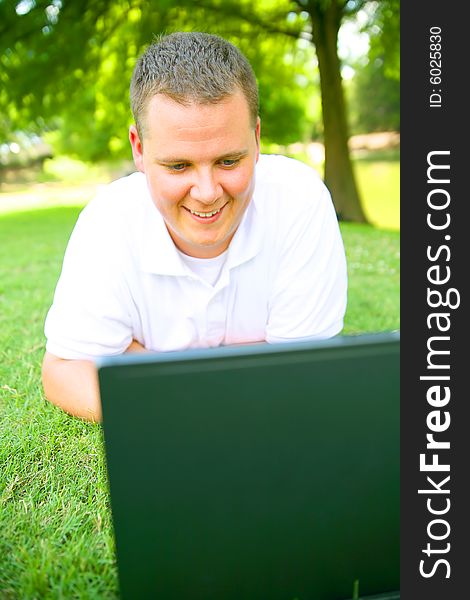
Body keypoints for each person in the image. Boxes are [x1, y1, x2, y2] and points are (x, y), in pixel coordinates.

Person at [42, 32, 347, 423]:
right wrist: (207, 391)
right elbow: (64, 369)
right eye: (178, 166)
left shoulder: (300, 200)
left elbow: (299, 375)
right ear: (139, 148)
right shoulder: (107, 222)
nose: (206, 193)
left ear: (256, 139)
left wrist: (138, 361)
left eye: (228, 161)